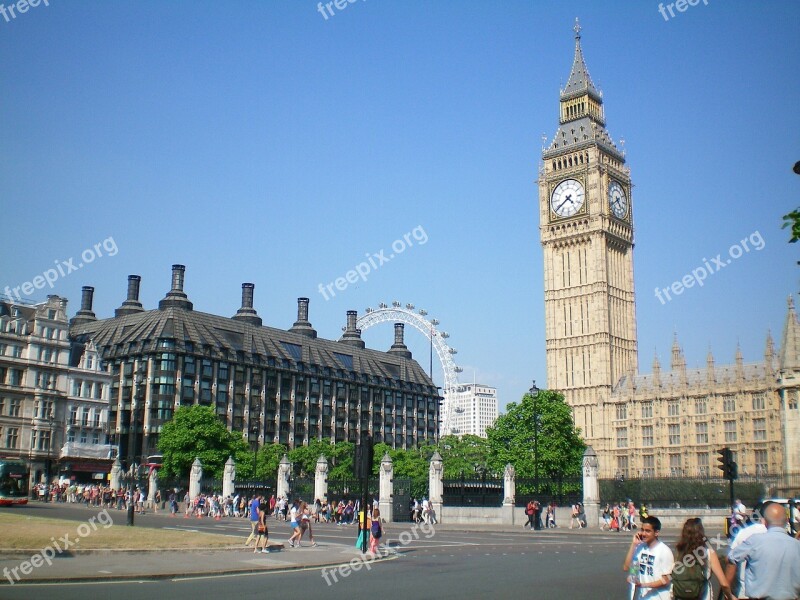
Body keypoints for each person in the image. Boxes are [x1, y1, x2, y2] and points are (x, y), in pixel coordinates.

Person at [727, 502, 800, 600]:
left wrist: (727, 590)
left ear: (764, 522)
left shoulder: (754, 541)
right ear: (787, 521)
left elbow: (731, 558)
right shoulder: (796, 545)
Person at [672, 517, 732, 600]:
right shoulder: (709, 552)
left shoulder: (680, 552)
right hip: (703, 596)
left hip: (681, 596)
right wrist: (730, 596)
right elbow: (724, 584)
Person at [622, 515, 674, 600]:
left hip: (659, 597)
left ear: (656, 532)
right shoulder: (640, 548)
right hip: (643, 597)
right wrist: (634, 544)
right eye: (642, 530)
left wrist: (643, 585)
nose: (643, 534)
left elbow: (666, 580)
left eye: (648, 531)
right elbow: (626, 567)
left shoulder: (664, 551)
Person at [724, 507, 767, 599]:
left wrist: (726, 589)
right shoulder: (778, 535)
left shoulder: (744, 532)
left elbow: (730, 559)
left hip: (745, 591)